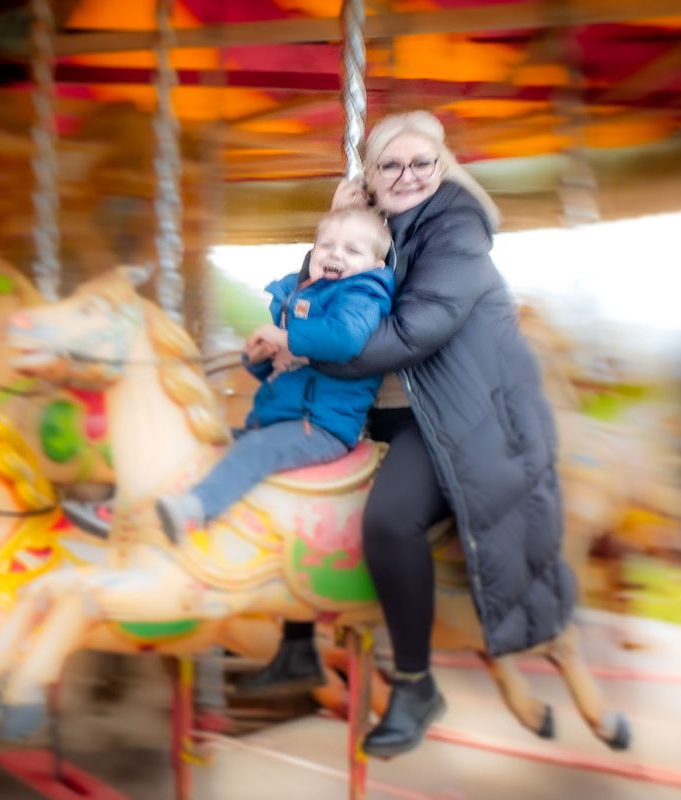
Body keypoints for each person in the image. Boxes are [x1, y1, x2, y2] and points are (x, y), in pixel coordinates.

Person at [239, 110, 575, 759]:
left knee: (390, 520)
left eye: (421, 163)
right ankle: (298, 644)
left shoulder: (458, 234)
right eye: (389, 164)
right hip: (383, 406)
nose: (407, 175)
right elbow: (318, 293)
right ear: (369, 175)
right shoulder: (377, 228)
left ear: (443, 167)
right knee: (284, 468)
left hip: (453, 415)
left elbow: (414, 332)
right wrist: (338, 225)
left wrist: (304, 348)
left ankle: (417, 685)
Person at [155, 206, 395, 546]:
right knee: (210, 443)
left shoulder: (363, 295)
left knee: (255, 450)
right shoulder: (299, 295)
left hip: (322, 426)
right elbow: (287, 365)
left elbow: (345, 338)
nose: (335, 255)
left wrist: (285, 338)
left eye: (352, 250)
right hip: (279, 418)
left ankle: (194, 510)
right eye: (326, 245)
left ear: (376, 265)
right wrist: (260, 358)